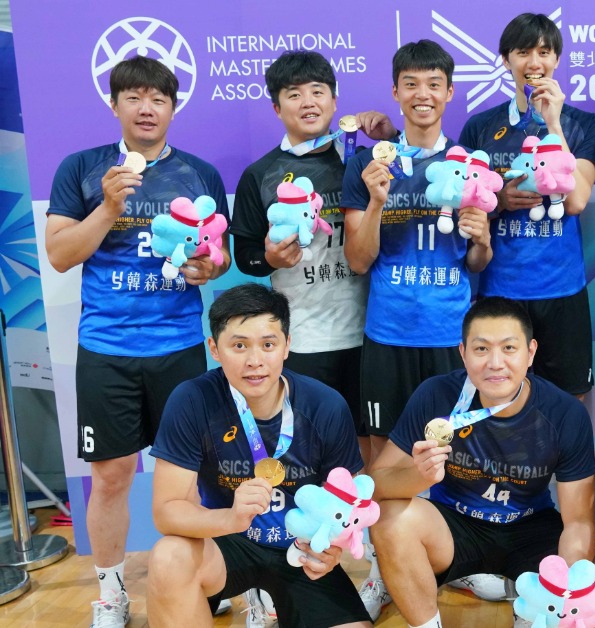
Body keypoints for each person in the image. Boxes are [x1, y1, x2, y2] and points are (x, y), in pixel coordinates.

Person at [44, 55, 229, 627]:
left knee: (192, 475)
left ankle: (203, 578)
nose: (147, 109)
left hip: (179, 347)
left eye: (158, 99)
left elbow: (217, 255)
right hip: (107, 349)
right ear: (115, 104)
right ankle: (111, 593)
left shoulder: (199, 173)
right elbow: (60, 254)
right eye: (134, 97)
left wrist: (208, 267)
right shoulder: (82, 168)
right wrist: (108, 207)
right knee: (111, 475)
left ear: (173, 107)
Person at [229, 49, 383, 621]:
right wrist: (268, 256)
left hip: (368, 334)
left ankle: (380, 571)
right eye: (293, 94)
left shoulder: (362, 161)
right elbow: (244, 255)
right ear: (277, 107)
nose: (308, 102)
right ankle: (267, 579)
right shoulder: (260, 174)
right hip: (301, 341)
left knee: (369, 461)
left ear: (335, 100)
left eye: (318, 91)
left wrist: (385, 137)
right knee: (291, 461)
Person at [367, 297, 595, 628]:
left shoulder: (564, 413)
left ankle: (529, 607)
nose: (495, 363)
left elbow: (578, 522)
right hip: (454, 527)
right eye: (481, 349)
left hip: (530, 527)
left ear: (530, 352)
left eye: (509, 348)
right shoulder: (436, 394)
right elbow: (376, 482)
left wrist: (563, 587)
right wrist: (420, 476)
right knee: (389, 519)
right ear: (463, 353)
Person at [145, 283, 371, 628]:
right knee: (168, 557)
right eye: (239, 345)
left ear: (287, 345)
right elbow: (167, 511)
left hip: (300, 549)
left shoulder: (325, 405)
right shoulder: (192, 400)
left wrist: (332, 549)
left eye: (268, 344)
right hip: (227, 544)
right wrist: (231, 519)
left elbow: (349, 501)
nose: (255, 361)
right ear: (214, 348)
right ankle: (253, 595)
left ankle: (274, 598)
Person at [341, 39, 492, 462]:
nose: (422, 95)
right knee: (383, 455)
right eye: (410, 84)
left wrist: (482, 239)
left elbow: (477, 262)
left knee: (456, 453)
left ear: (450, 92)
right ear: (395, 92)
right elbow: (358, 261)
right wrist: (376, 202)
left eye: (433, 84)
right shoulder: (367, 165)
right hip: (388, 332)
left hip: (450, 333)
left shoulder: (470, 164)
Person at [460, 12, 595, 403]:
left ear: (557, 58)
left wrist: (553, 124)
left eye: (544, 52)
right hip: (501, 290)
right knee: (499, 400)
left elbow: (576, 201)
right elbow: (467, 207)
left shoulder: (583, 124)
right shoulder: (480, 126)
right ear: (506, 60)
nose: (534, 62)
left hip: (563, 289)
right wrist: (500, 201)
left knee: (571, 403)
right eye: (523, 52)